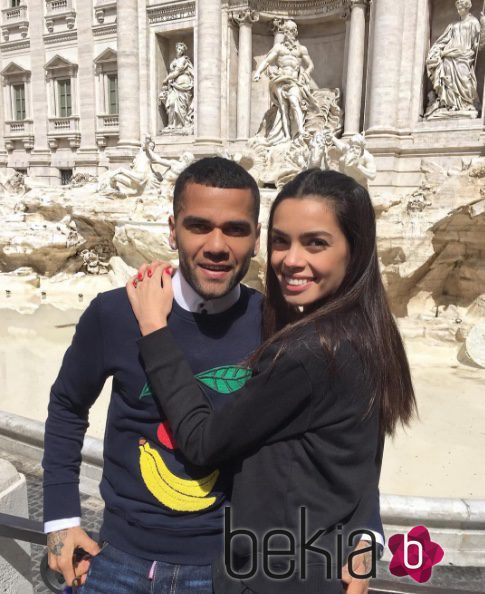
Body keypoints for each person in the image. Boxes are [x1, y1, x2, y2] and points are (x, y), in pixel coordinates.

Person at [43, 158, 383, 593]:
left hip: (223, 571)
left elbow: (349, 430)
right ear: (172, 229)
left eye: (236, 229)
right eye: (199, 226)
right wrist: (61, 517)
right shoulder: (115, 314)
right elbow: (68, 406)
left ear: (257, 239)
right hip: (117, 558)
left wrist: (364, 531)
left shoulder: (278, 324)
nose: (217, 245)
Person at [128, 168, 416, 592]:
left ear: (355, 250)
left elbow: (203, 442)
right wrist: (365, 534)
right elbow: (360, 454)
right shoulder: (367, 332)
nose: (291, 259)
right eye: (281, 241)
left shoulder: (312, 353)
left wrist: (154, 330)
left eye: (315, 242)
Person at [253, 20, 318, 141]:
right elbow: (267, 61)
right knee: (283, 108)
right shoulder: (278, 48)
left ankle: (301, 130)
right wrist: (258, 72)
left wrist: (306, 73)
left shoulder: (301, 49)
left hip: (294, 81)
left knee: (294, 102)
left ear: (295, 32)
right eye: (286, 31)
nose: (288, 33)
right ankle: (287, 136)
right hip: (280, 80)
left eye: (291, 31)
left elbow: (310, 65)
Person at [425, 0, 481, 119]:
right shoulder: (453, 25)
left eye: (461, 8)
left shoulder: (474, 22)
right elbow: (443, 40)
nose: (459, 10)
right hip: (450, 55)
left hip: (465, 55)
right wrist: (436, 51)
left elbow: (477, 42)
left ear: (467, 8)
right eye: (458, 8)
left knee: (465, 77)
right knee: (447, 73)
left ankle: (467, 104)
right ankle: (451, 104)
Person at [159, 41, 194, 131]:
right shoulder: (175, 61)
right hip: (174, 86)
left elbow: (176, 72)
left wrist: (166, 79)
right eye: (178, 49)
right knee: (171, 103)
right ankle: (171, 124)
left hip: (183, 85)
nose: (179, 51)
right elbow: (173, 73)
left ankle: (183, 124)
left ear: (183, 51)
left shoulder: (184, 60)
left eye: (181, 50)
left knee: (181, 106)